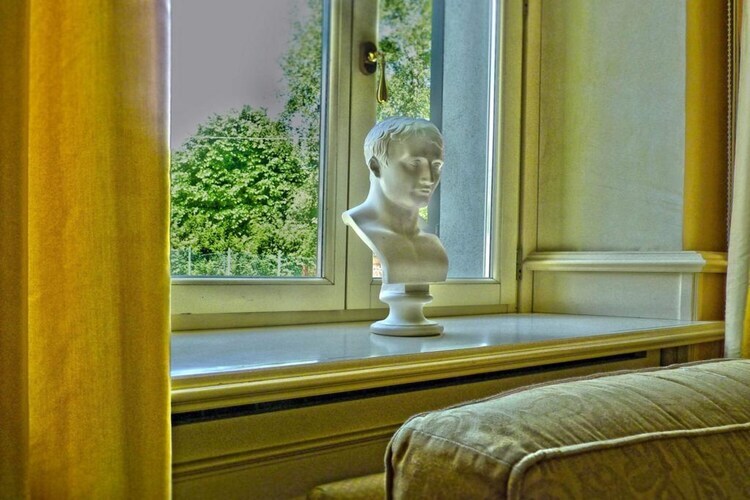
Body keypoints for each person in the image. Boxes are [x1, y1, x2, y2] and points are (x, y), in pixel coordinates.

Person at [343, 117, 449, 284]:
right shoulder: (361, 226)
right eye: (415, 164)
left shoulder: (431, 240)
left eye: (436, 166)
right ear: (375, 166)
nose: (429, 178)